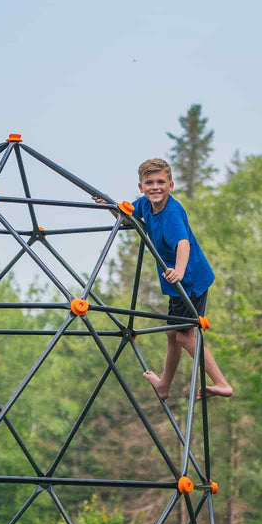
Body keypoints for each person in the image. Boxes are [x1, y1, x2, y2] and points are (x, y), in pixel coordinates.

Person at [97, 158, 233, 399]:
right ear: (141, 188)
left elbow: (183, 243)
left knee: (183, 335)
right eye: (149, 183)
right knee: (172, 334)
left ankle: (222, 383)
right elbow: (129, 218)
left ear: (171, 185)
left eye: (161, 182)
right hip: (176, 282)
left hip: (189, 281)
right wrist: (111, 205)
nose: (155, 187)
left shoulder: (171, 213)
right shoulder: (145, 206)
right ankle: (164, 385)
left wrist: (179, 271)